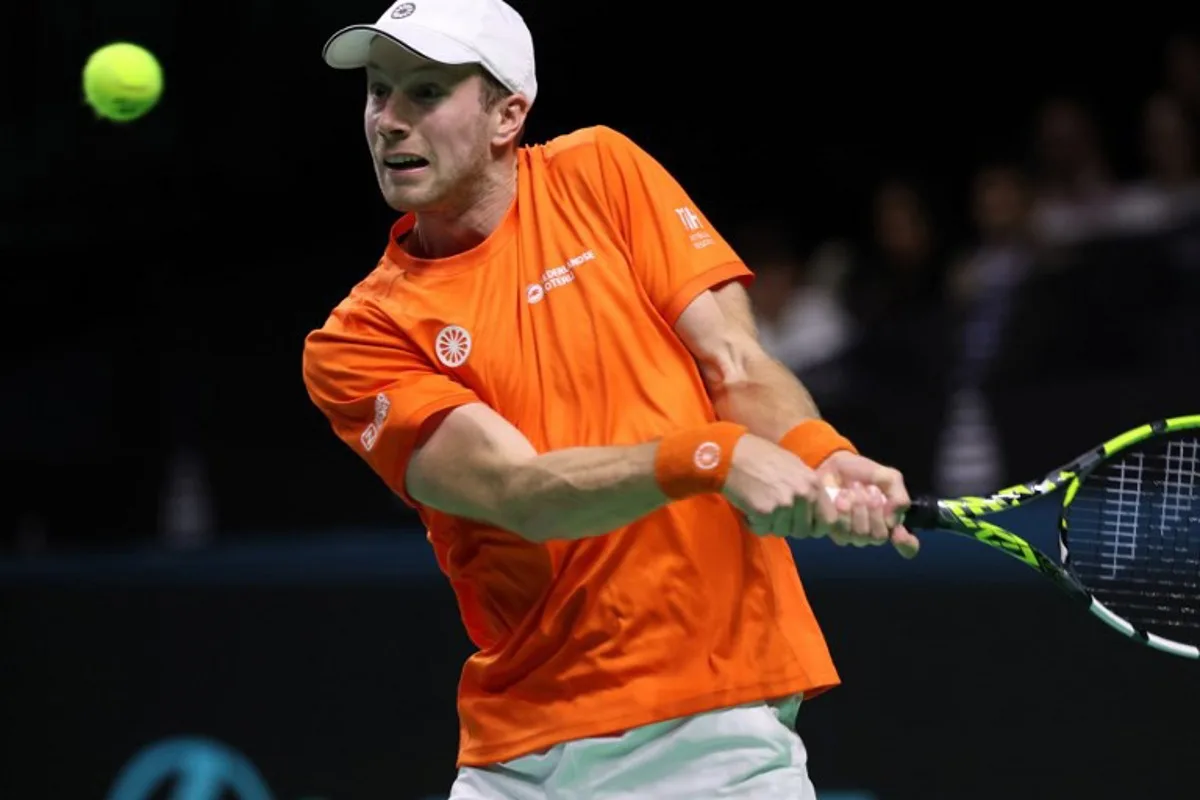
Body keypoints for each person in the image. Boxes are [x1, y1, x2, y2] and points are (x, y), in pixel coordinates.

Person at [301, 1, 920, 797]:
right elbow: (517, 492)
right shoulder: (359, 338)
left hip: (710, 723)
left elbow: (735, 360)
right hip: (518, 757)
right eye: (377, 91)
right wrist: (716, 457)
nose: (387, 120)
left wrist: (821, 455)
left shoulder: (602, 171)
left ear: (507, 114)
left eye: (424, 92)